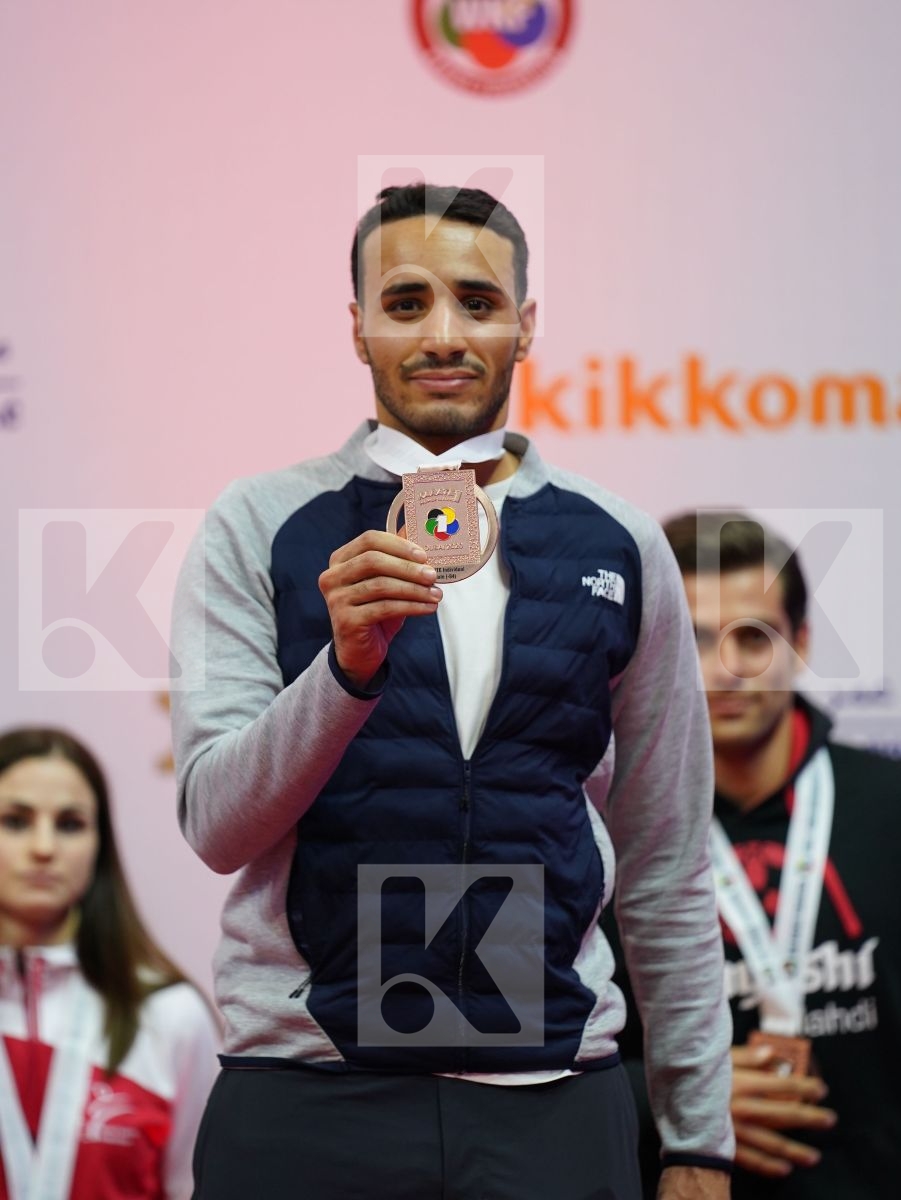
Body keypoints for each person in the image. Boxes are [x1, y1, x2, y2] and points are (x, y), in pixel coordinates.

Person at [170, 183, 734, 1200]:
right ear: (356, 329)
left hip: (555, 1096)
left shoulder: (617, 541)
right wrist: (342, 673)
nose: (442, 333)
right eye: (405, 302)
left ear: (526, 325)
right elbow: (216, 824)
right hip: (308, 1093)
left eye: (477, 302)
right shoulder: (259, 524)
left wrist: (698, 1138)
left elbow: (665, 865)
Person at [605, 511, 901, 1199]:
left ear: (799, 640)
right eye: (693, 640)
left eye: (752, 638)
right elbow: (535, 1058)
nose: (723, 670)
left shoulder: (889, 805)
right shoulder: (591, 832)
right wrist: (675, 1102)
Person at [0, 727, 220, 1200]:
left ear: (100, 844)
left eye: (70, 824)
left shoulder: (169, 1015)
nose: (43, 847)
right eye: (15, 821)